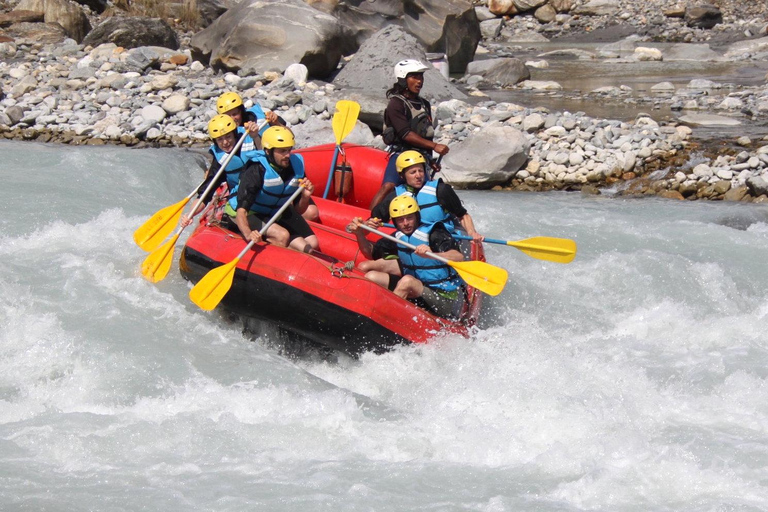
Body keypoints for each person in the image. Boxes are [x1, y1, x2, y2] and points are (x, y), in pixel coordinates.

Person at [347, 195, 465, 319]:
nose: (406, 223)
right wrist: (359, 234)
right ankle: (361, 308)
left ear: (417, 216)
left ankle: (383, 317)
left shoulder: (435, 233)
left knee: (407, 281)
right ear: (395, 222)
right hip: (418, 292)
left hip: (442, 299)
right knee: (371, 276)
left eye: (409, 218)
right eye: (400, 220)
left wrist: (433, 255)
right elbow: (369, 253)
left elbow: (458, 256)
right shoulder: (398, 237)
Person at [217, 92, 319, 222]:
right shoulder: (225, 136)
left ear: (241, 111)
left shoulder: (261, 118)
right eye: (227, 116)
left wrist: (275, 122)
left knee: (312, 213)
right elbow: (220, 160)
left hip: (278, 174)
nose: (232, 118)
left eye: (235, 113)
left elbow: (289, 137)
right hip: (251, 185)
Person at [370, 59, 450, 209]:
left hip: (421, 157)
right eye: (414, 77)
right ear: (403, 79)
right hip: (401, 154)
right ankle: (371, 220)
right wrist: (434, 146)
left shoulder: (424, 104)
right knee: (388, 186)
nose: (419, 81)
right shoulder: (396, 104)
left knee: (427, 193)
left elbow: (426, 133)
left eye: (421, 77)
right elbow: (405, 134)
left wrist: (430, 159)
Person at [232, 126, 319, 253]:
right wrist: (248, 234)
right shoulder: (256, 169)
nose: (287, 155)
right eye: (282, 151)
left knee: (312, 243)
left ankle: (291, 257)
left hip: (274, 212)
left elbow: (298, 210)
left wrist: (305, 197)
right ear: (268, 151)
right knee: (282, 236)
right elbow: (241, 211)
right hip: (250, 212)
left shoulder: (296, 166)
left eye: (289, 150)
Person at [370, 150, 483, 241]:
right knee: (382, 246)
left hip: (441, 240)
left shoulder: (441, 190)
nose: (418, 175)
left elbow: (463, 215)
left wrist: (472, 233)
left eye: (421, 171)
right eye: (413, 172)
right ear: (402, 175)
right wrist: (363, 226)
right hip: (412, 241)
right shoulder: (395, 196)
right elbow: (374, 220)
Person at [180, 114, 257, 228]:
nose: (225, 142)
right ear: (215, 142)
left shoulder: (251, 138)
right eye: (220, 139)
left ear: (235, 135)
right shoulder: (220, 162)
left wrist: (256, 135)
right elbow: (205, 194)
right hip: (244, 201)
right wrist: (190, 214)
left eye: (228, 137)